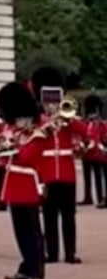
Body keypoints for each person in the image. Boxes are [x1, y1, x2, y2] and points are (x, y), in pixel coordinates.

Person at [0, 81, 49, 279]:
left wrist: (13, 147)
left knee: (32, 230)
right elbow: (2, 159)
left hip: (27, 183)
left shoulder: (38, 131)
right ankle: (26, 266)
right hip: (14, 184)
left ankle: (37, 270)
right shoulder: (13, 130)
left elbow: (29, 157)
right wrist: (3, 149)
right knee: (20, 230)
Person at [32, 67, 83, 265]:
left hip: (67, 174)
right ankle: (51, 253)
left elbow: (84, 130)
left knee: (68, 216)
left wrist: (68, 119)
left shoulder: (67, 119)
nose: (51, 105)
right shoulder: (39, 121)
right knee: (50, 217)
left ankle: (70, 252)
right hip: (47, 174)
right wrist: (48, 123)